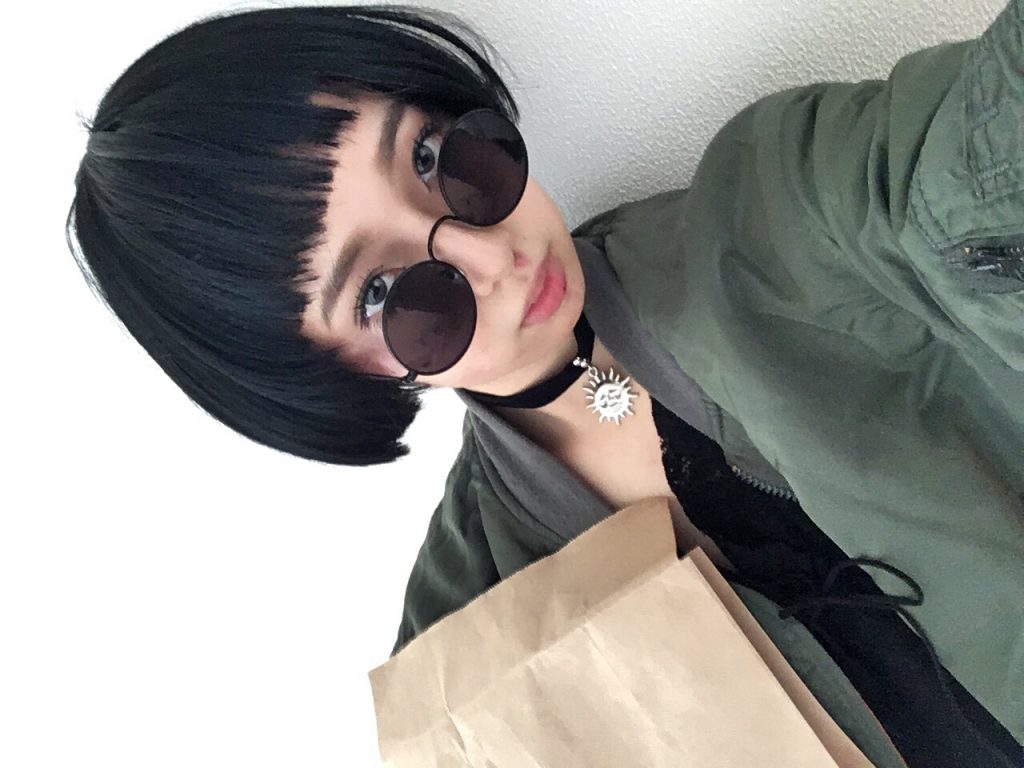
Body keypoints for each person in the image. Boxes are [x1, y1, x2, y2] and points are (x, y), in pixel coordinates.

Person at [67, 3, 1023, 765]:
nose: (495, 257)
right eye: (384, 294)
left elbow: (968, 164)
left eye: (434, 159)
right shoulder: (469, 639)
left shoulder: (780, 213)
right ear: (325, 374)